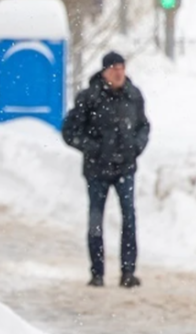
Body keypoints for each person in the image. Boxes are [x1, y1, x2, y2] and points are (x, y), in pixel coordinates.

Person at [62, 51, 150, 288]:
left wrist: (136, 147)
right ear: (104, 72)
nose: (119, 72)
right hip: (97, 170)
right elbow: (69, 131)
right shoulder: (89, 97)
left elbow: (143, 126)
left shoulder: (133, 95)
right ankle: (97, 273)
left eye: (122, 67)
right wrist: (93, 148)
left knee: (129, 218)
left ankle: (128, 272)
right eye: (114, 68)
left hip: (125, 168)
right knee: (96, 220)